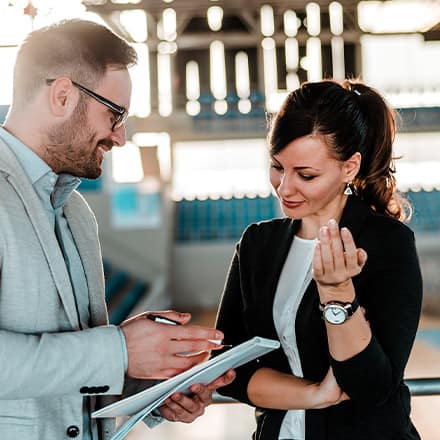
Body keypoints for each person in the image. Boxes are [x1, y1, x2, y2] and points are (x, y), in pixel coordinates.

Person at [0, 19, 235, 440]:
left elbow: (71, 378)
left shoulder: (75, 212)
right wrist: (120, 350)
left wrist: (150, 386)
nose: (120, 136)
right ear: (62, 95)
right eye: (115, 114)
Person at [215, 79, 423, 439]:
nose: (284, 187)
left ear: (349, 168)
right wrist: (313, 395)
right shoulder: (257, 244)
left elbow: (372, 388)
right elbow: (228, 369)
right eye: (278, 166)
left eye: (306, 175)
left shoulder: (387, 243)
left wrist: (337, 293)